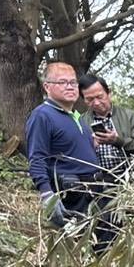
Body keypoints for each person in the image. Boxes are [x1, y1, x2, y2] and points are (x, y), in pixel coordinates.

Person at [26, 62, 102, 226]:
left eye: (73, 82)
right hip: (72, 196)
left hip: (95, 192)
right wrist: (47, 194)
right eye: (62, 82)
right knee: (79, 247)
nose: (70, 87)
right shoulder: (42, 115)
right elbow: (37, 158)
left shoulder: (77, 117)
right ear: (47, 87)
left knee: (105, 246)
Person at [78, 73, 134, 180]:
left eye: (100, 97)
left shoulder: (129, 116)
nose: (96, 103)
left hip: (132, 178)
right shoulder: (81, 122)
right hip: (98, 183)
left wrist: (118, 141)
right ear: (83, 100)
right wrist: (90, 147)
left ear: (109, 93)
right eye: (90, 99)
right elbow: (75, 156)